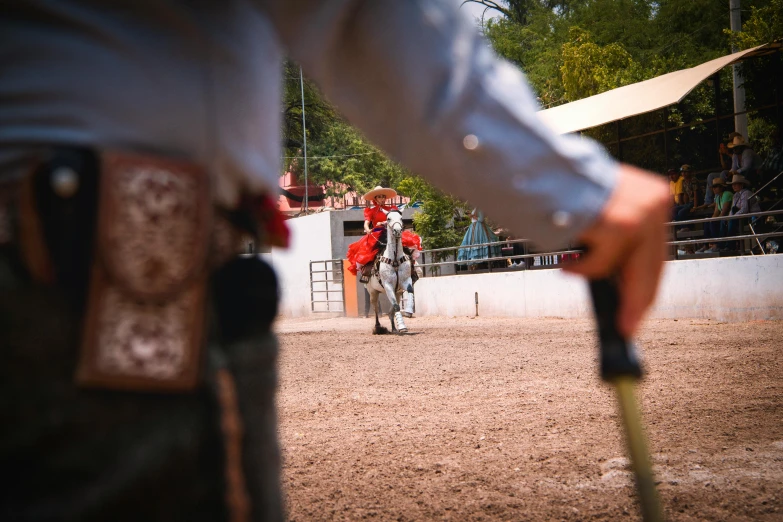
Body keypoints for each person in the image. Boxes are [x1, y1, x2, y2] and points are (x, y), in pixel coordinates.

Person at [0, 1, 671, 521]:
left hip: (74, 250)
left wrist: (401, 235)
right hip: (100, 277)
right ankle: (385, 311)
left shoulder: (396, 221)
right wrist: (567, 187)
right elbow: (357, 17)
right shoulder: (374, 218)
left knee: (401, 258)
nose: (389, 213)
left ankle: (398, 300)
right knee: (376, 260)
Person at [345, 185, 422, 283]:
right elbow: (366, 223)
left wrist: (386, 223)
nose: (382, 199)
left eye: (383, 197)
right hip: (378, 232)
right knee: (369, 252)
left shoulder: (392, 209)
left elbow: (396, 220)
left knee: (406, 245)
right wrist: (368, 229)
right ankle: (367, 273)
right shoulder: (371, 211)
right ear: (375, 199)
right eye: (379, 197)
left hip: (391, 230)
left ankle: (412, 267)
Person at [696, 177, 733, 253]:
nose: (714, 189)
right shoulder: (718, 197)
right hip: (723, 218)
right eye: (713, 187)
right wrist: (711, 220)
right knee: (707, 221)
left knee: (713, 222)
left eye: (716, 187)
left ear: (721, 187)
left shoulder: (727, 194)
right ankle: (706, 245)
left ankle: (717, 245)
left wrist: (713, 220)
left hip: (728, 218)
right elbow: (716, 212)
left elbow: (724, 212)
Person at [726, 174, 762, 250]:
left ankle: (730, 245)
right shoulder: (735, 195)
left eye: (736, 184)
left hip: (750, 216)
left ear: (741, 185)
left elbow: (744, 209)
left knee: (732, 221)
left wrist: (733, 217)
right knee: (725, 222)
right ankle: (724, 244)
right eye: (733, 184)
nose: (733, 186)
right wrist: (729, 217)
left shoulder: (746, 193)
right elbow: (732, 208)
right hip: (740, 217)